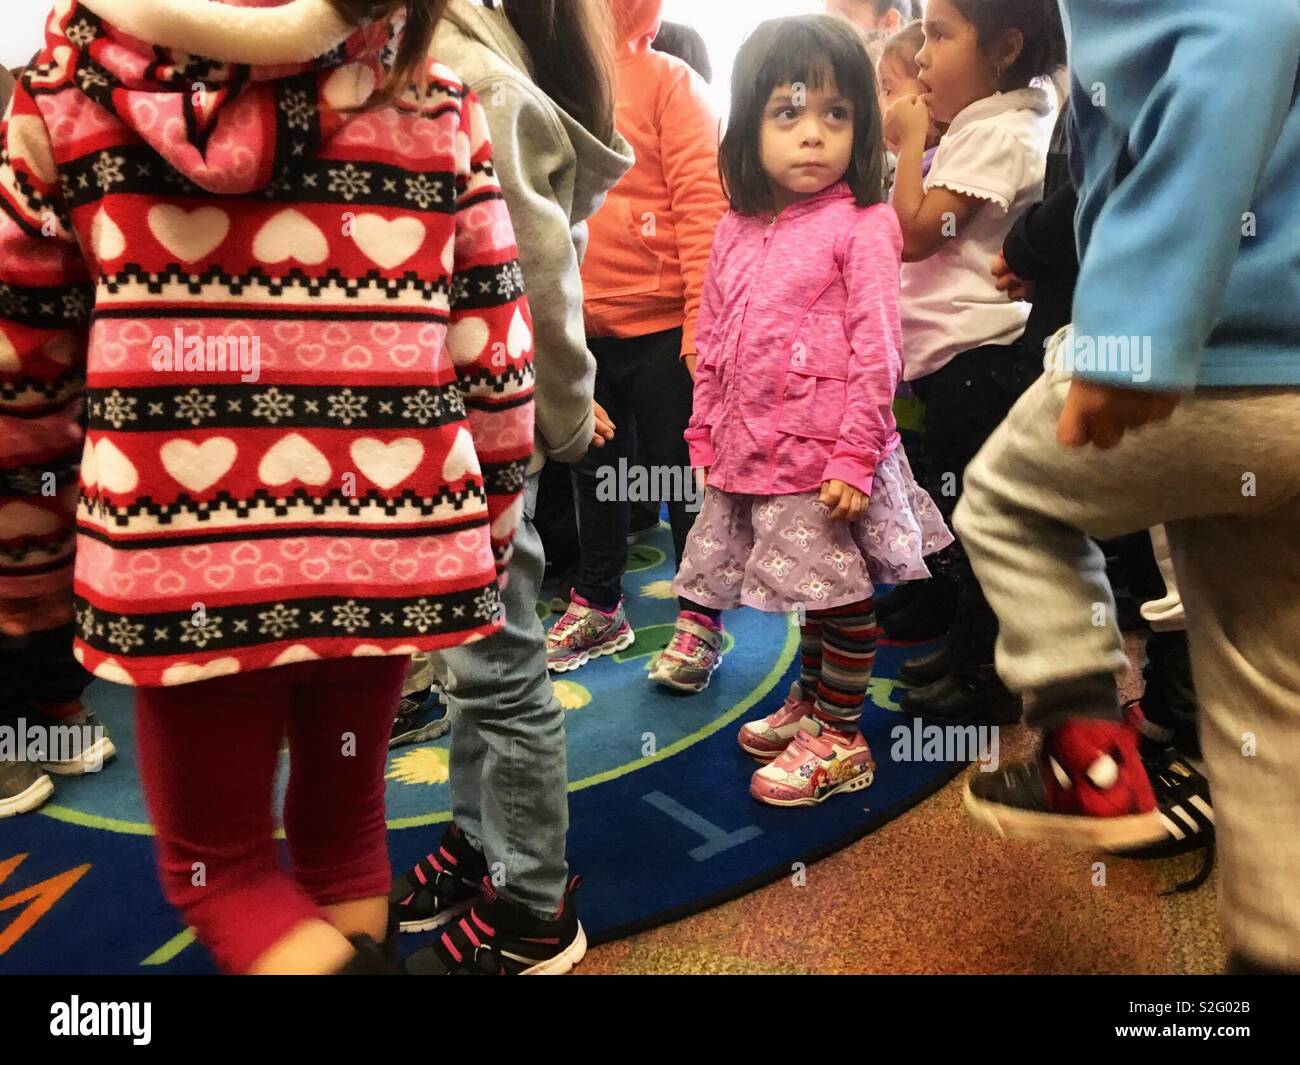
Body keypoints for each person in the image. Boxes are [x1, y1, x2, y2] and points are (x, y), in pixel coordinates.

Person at [0, 0, 535, 974]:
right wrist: (487, 538)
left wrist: (25, 571)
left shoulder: (63, 95)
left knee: (217, 873)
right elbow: (494, 357)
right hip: (386, 550)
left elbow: (23, 373)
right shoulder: (432, 100)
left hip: (180, 562)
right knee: (343, 837)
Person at [959, 0, 1300, 975]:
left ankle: (1087, 762)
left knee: (1007, 500)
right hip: (1278, 378)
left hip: (1211, 356)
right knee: (1265, 692)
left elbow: (1251, 28)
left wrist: (1140, 318)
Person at [389, 0, 633, 976]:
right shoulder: (451, 50)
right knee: (469, 659)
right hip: (442, 424)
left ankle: (535, 901)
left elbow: (539, 283)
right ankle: (482, 842)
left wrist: (565, 421)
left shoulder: (472, 74)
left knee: (499, 663)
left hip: (476, 432)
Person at [676, 15, 951, 804]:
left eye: (836, 114)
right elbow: (717, 334)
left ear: (862, 125)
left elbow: (879, 353)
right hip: (750, 451)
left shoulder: (862, 224)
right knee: (807, 590)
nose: (812, 136)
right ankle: (813, 699)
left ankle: (842, 734)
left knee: (841, 591)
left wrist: (853, 458)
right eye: (787, 113)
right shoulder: (736, 226)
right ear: (748, 125)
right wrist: (705, 429)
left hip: (827, 456)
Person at [883, 0, 1062, 723]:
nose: (922, 57)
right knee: (961, 517)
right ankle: (965, 647)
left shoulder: (1006, 132)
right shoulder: (986, 125)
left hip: (980, 361)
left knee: (981, 523)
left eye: (939, 35)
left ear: (1006, 47)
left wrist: (909, 142)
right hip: (954, 359)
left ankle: (986, 677)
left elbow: (919, 234)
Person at [546, 0, 728, 691]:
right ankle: (598, 601)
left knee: (680, 478)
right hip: (582, 330)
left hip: (664, 333)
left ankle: (700, 615)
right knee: (594, 473)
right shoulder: (554, 84)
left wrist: (698, 331)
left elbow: (702, 211)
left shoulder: (670, 82)